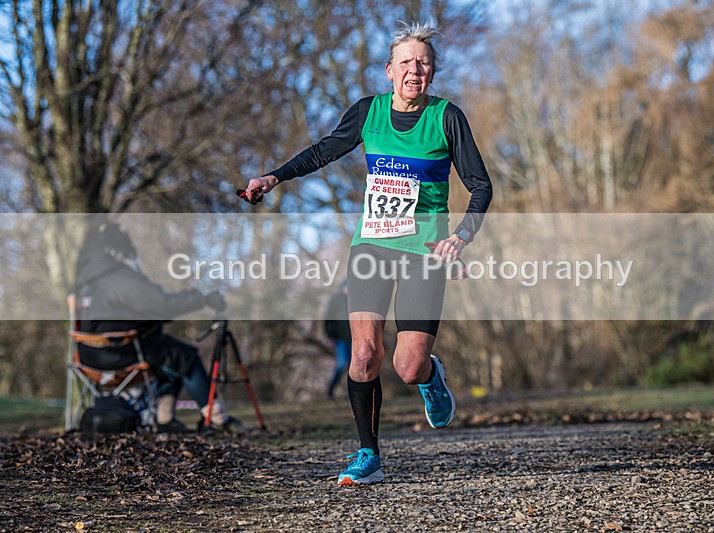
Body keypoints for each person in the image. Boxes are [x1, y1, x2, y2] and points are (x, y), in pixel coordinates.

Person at [243, 21, 492, 485]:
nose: (414, 70)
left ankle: (430, 377)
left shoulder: (447, 117)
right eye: (406, 62)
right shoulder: (368, 113)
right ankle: (368, 454)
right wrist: (274, 177)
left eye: (423, 63)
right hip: (372, 246)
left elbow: (480, 185)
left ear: (433, 73)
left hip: (424, 251)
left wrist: (461, 235)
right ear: (388, 71)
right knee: (362, 357)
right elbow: (323, 151)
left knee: (407, 365)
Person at [74, 221, 244, 434]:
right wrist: (203, 299)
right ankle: (216, 418)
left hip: (88, 359)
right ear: (118, 251)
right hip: (123, 355)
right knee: (186, 357)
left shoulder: (86, 283)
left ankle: (165, 419)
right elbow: (164, 305)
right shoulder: (121, 279)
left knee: (170, 361)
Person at [324, 281, 352, 398]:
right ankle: (331, 390)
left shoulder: (355, 300)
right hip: (340, 339)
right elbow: (328, 319)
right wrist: (330, 336)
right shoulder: (336, 300)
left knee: (353, 366)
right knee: (341, 364)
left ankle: (350, 392)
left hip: (354, 339)